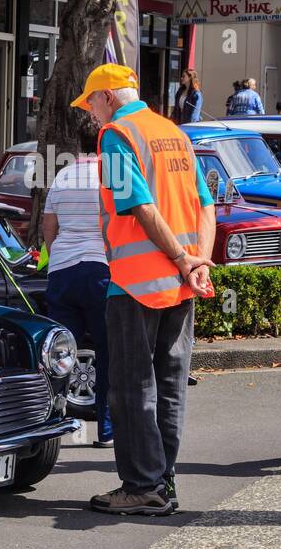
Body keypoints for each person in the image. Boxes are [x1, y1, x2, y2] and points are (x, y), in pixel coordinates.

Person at [73, 64, 216, 516]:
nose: (90, 114)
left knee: (132, 387)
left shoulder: (117, 135)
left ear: (108, 97)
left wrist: (180, 258)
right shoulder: (174, 133)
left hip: (136, 284)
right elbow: (206, 206)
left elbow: (137, 206)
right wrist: (198, 263)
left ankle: (141, 486)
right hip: (181, 285)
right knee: (170, 385)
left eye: (91, 103)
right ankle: (163, 478)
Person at [41, 111, 113, 447]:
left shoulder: (62, 176)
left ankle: (54, 423)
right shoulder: (109, 177)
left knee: (59, 352)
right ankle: (106, 430)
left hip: (63, 271)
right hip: (100, 270)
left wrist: (58, 255)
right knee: (106, 348)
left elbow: (49, 230)